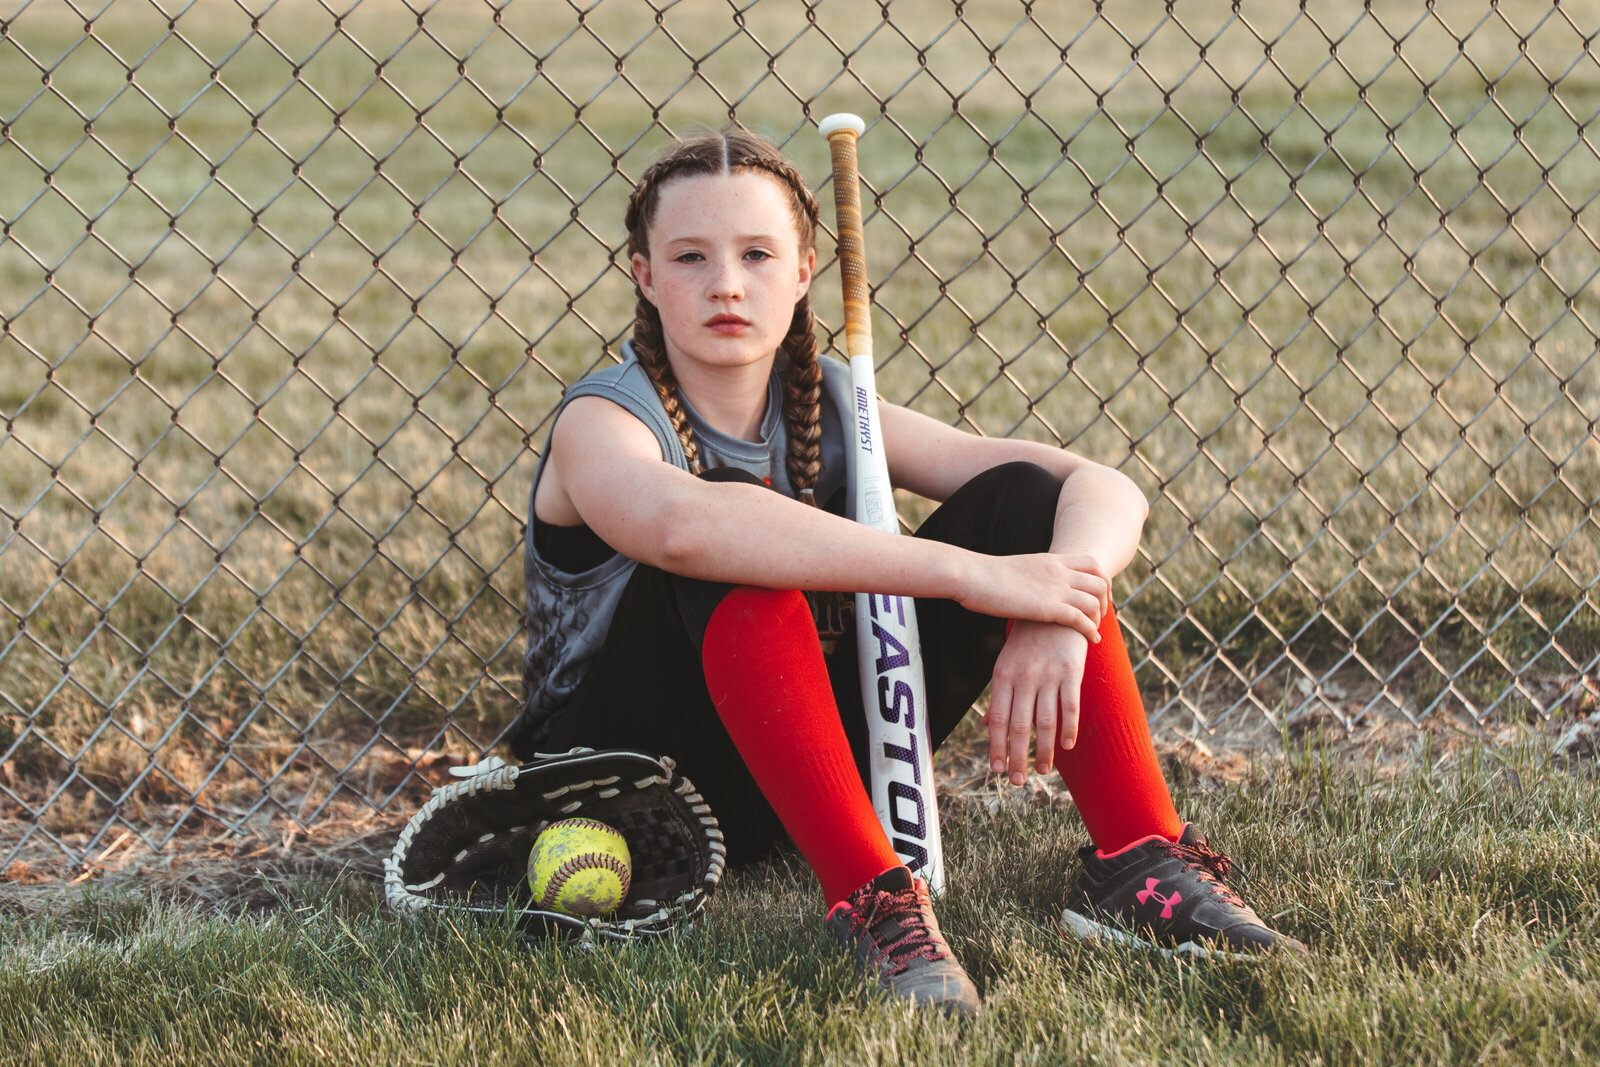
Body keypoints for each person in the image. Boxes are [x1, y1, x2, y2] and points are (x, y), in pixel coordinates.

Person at [511, 125, 1303, 1016]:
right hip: (631, 783)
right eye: (689, 256)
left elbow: (1095, 485)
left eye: (757, 254)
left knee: (1020, 504)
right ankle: (872, 903)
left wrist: (1052, 599)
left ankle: (1139, 862)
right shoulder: (603, 421)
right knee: (740, 552)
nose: (725, 283)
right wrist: (973, 577)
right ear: (645, 276)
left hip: (791, 760)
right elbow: (686, 528)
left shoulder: (835, 404)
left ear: (805, 271)